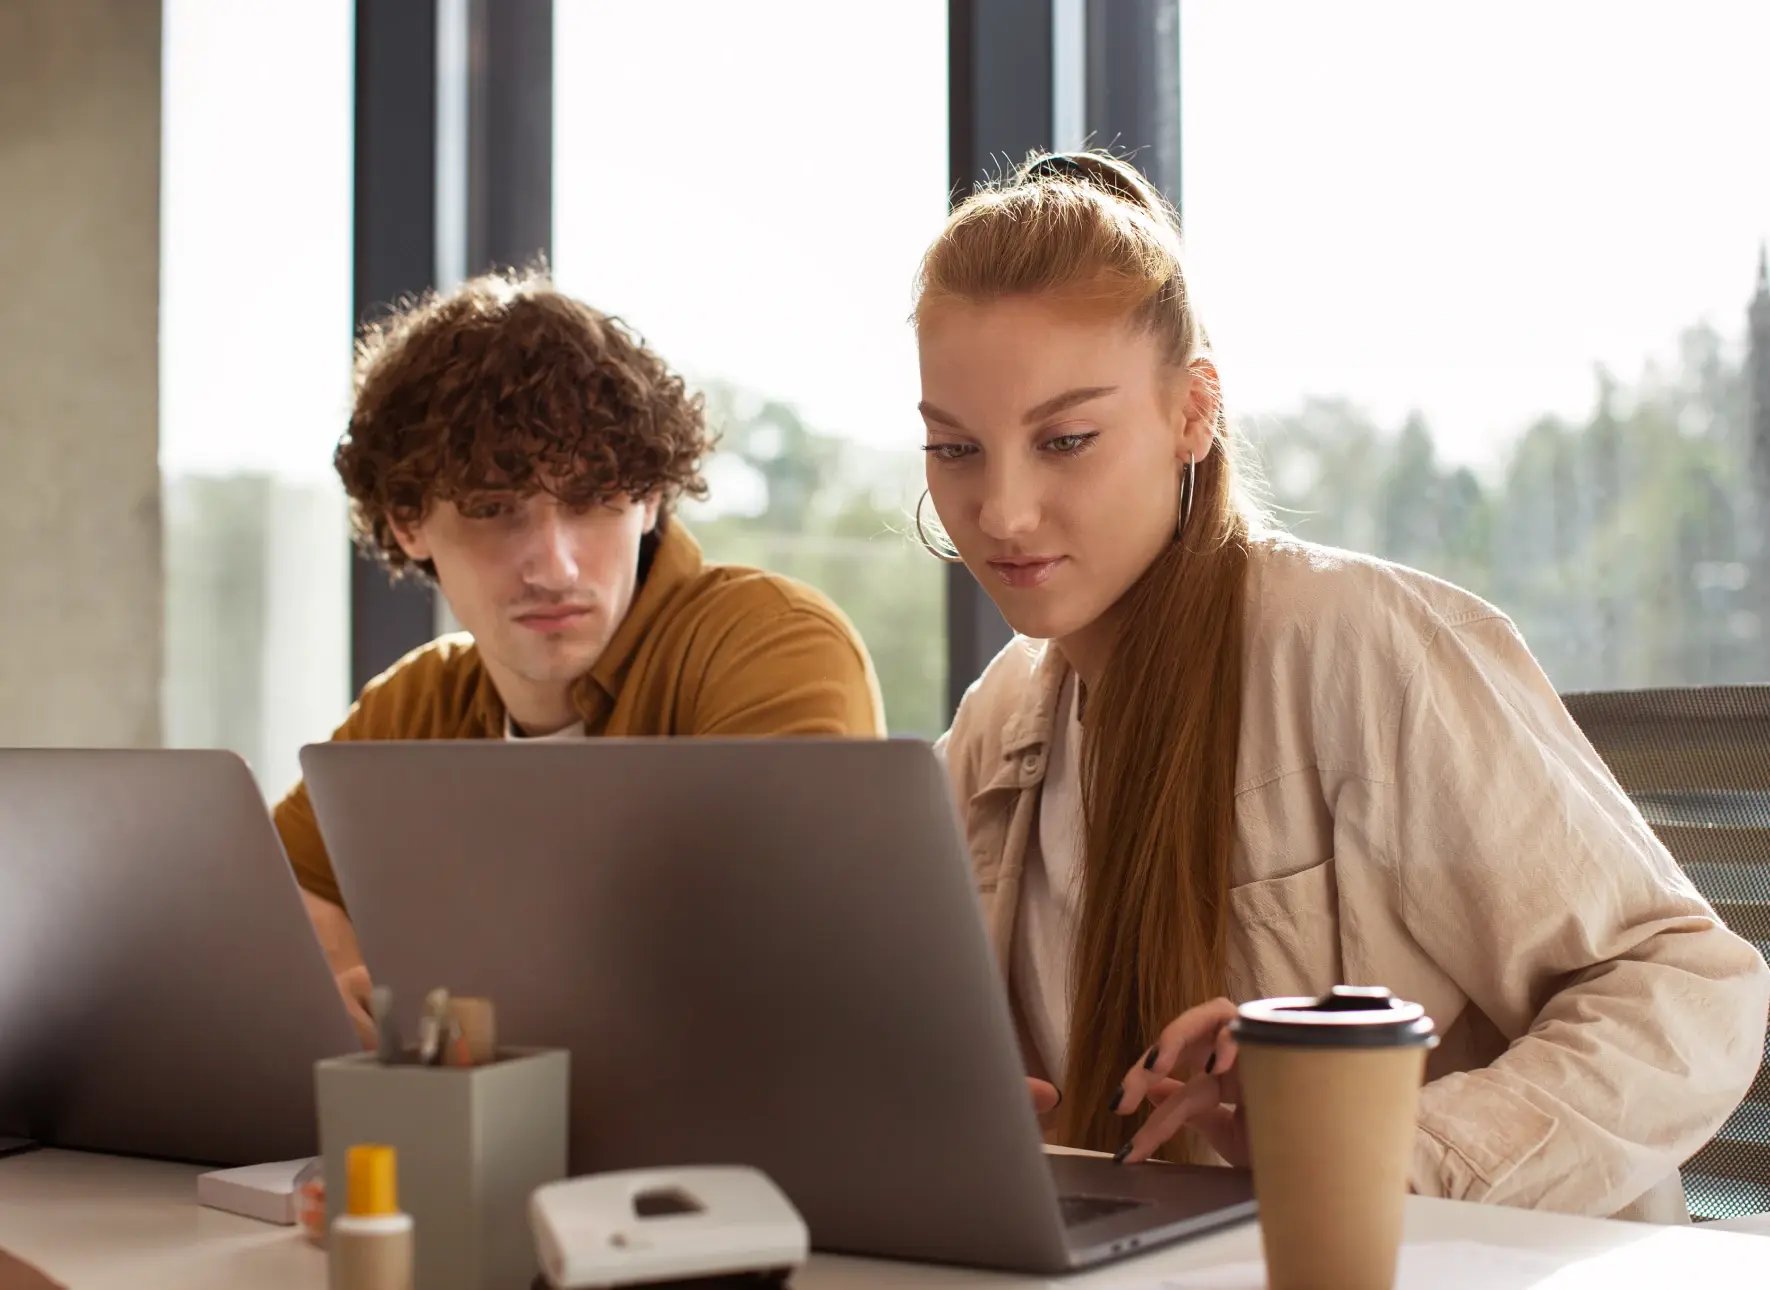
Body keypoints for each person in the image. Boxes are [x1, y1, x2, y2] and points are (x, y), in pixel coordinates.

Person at [917, 151, 1770, 1221]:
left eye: (1067, 440)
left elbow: (1693, 991)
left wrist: (1382, 1159)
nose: (1002, 512)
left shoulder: (1361, 647)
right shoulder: (1003, 721)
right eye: (954, 448)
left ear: (1192, 413)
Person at [278, 269, 884, 1041]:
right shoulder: (416, 702)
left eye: (593, 500)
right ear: (408, 521)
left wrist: (433, 1009)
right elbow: (268, 929)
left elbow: (769, 960)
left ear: (651, 498)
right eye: (496, 511)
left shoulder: (767, 642)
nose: (555, 565)